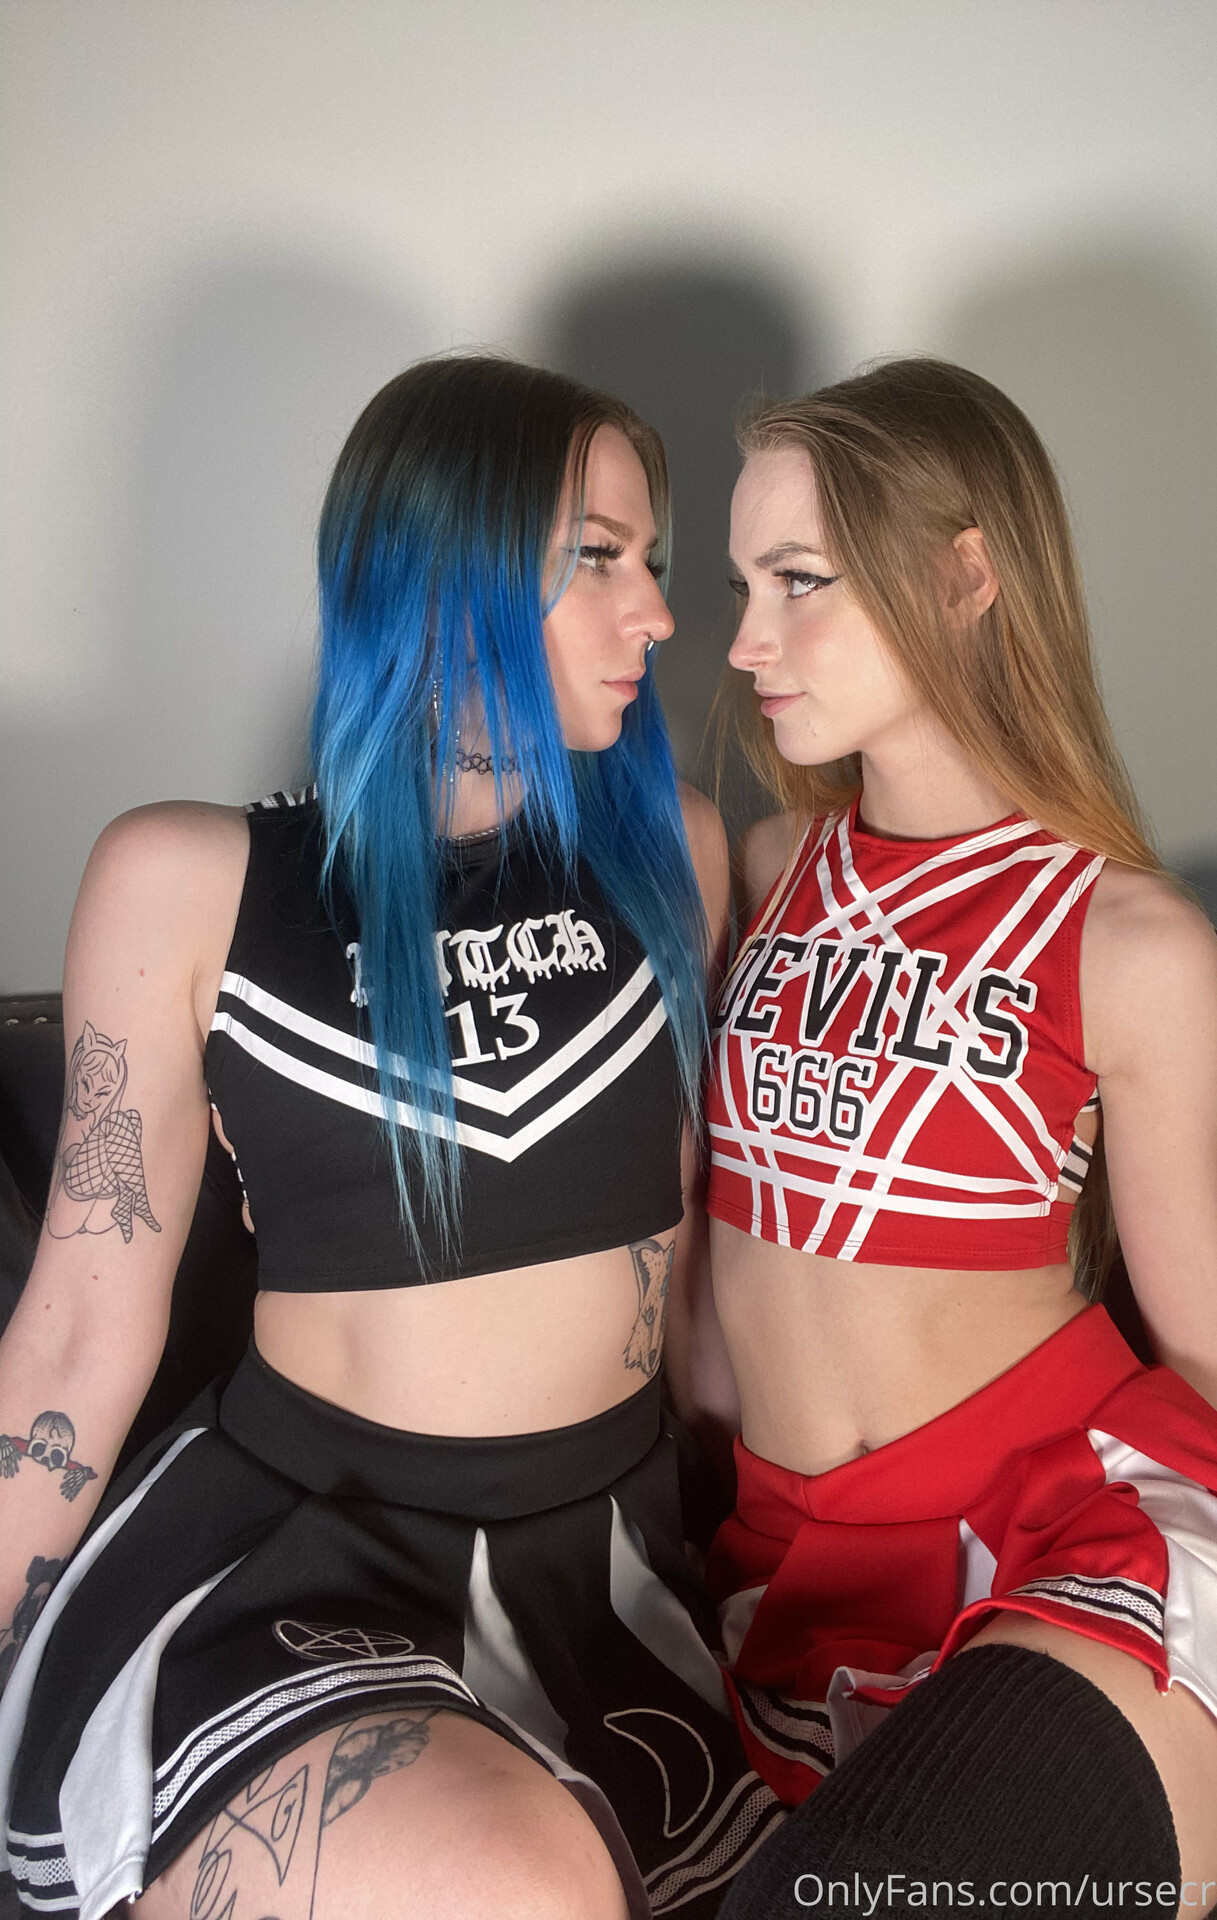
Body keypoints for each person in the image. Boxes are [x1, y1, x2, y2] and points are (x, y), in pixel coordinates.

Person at [0, 354, 782, 1920]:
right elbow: (79, 1332)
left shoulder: (676, 859)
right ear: (443, 574)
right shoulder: (189, 882)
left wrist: (788, 1542)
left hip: (608, 1576)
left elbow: (691, 1274)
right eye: (599, 558)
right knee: (517, 1884)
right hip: (302, 1567)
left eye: (653, 560)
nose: (658, 614)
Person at [699, 359, 1217, 1916]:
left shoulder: (1124, 938)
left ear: (964, 576)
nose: (747, 640)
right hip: (802, 1570)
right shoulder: (763, 870)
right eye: (741, 587)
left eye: (799, 582)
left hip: (1071, 1536)